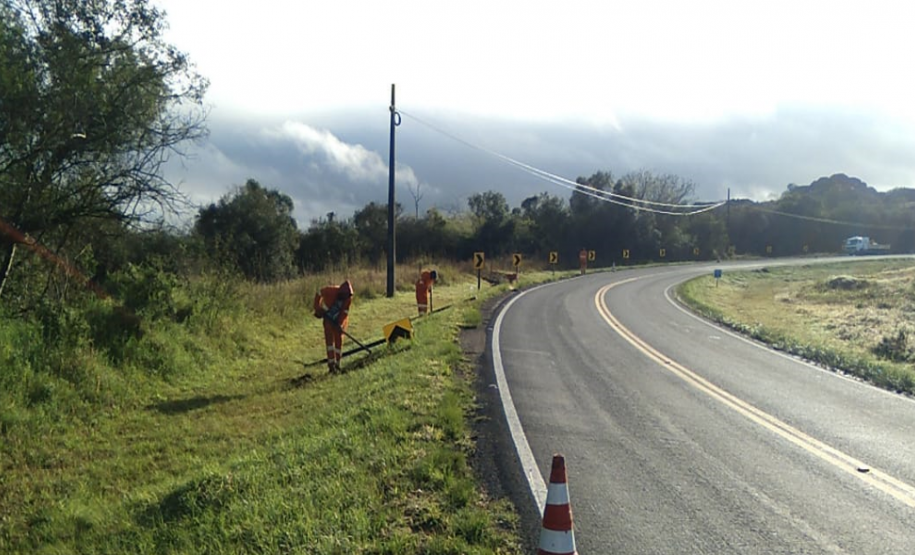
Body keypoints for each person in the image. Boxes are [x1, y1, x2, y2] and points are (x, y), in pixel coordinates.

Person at [313, 280, 353, 374]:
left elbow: (344, 313)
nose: (343, 299)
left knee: (338, 342)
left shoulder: (348, 298)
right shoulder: (331, 291)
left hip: (339, 323)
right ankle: (331, 365)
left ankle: (337, 364)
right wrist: (317, 307)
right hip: (328, 320)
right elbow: (319, 292)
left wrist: (340, 324)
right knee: (330, 343)